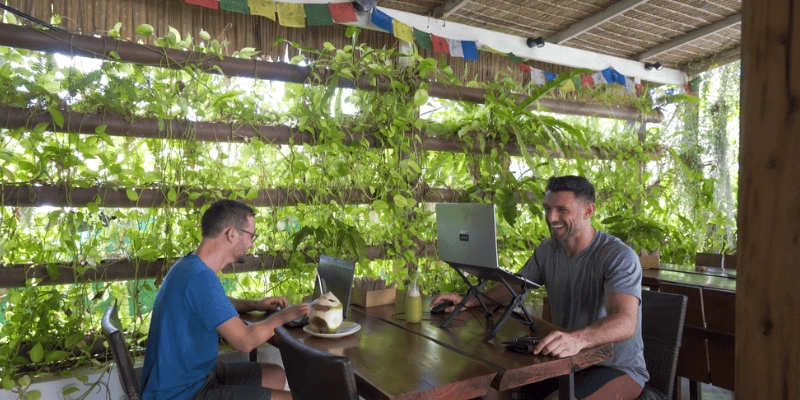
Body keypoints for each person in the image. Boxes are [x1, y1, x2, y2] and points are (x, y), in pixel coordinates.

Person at [432, 176, 647, 400]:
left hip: (617, 368)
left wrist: (577, 339)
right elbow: (515, 285)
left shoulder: (618, 256)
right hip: (564, 362)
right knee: (491, 389)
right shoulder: (548, 250)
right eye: (547, 208)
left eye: (562, 210)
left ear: (588, 211)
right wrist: (470, 301)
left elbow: (625, 322)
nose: (551, 218)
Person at [139, 200, 309, 400]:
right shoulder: (200, 278)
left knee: (275, 374)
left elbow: (212, 302)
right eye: (251, 236)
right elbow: (246, 341)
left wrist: (254, 304)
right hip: (181, 393)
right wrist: (283, 316)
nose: (252, 243)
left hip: (194, 377)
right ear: (232, 234)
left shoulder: (189, 266)